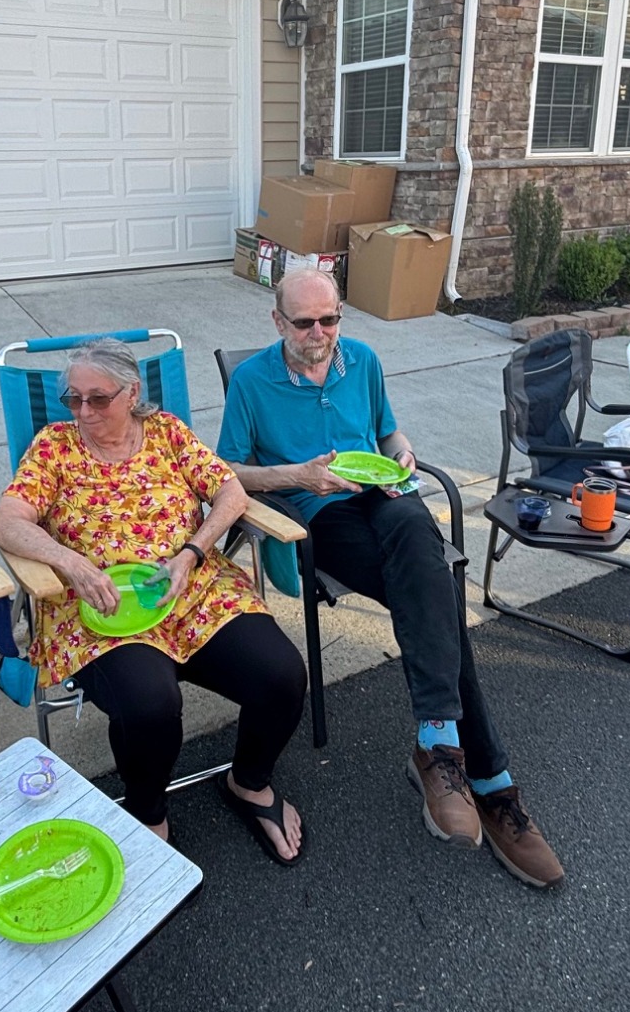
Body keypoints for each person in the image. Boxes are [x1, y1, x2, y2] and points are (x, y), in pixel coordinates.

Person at [216, 268, 563, 888]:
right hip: (321, 513)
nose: (320, 333)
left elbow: (387, 432)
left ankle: (441, 745)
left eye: (330, 319)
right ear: (278, 321)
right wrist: (299, 476)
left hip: (386, 498)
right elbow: (227, 471)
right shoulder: (251, 381)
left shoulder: (363, 360)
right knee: (436, 593)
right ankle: (490, 780)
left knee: (413, 529)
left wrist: (403, 453)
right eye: (304, 322)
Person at [0, 338, 307, 864]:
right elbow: (8, 522)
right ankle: (147, 816)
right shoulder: (54, 446)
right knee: (149, 703)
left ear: (133, 392)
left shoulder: (167, 433)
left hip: (190, 590)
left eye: (98, 398)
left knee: (282, 676)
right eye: (73, 398)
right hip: (99, 604)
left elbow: (230, 491)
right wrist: (72, 564)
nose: (83, 411)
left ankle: (250, 783)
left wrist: (192, 552)